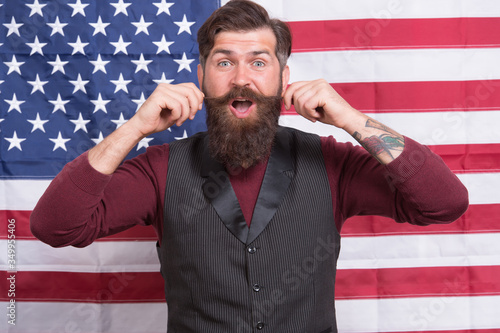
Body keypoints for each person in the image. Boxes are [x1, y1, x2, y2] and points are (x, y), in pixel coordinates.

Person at [30, 0, 469, 332]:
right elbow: (56, 227)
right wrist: (134, 128)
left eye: (259, 63)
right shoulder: (160, 169)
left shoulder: (333, 163)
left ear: (282, 77)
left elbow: (444, 203)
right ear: (201, 76)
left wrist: (351, 119)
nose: (242, 79)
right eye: (225, 63)